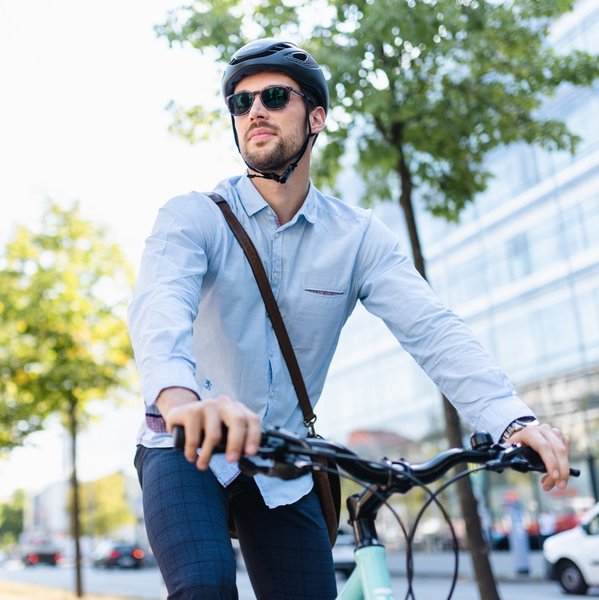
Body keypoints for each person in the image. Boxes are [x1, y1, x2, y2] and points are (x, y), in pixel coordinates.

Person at [127, 38, 571, 599]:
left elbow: (432, 328)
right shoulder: (193, 217)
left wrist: (510, 420)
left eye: (272, 96)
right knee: (205, 587)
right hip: (184, 447)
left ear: (316, 118)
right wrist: (181, 401)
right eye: (240, 104)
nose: (253, 111)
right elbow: (159, 306)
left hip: (280, 464)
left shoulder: (357, 236)